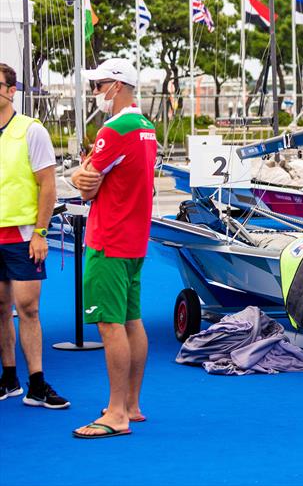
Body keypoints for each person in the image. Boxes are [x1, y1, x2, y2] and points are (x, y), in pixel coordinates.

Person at [70, 58, 157, 438]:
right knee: (131, 320)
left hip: (109, 238)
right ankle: (131, 405)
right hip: (135, 237)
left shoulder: (115, 129)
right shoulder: (146, 127)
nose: (95, 93)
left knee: (110, 324)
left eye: (99, 85)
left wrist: (78, 174)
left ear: (116, 86)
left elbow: (87, 182)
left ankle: (117, 413)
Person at [0, 63, 69, 408]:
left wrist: (40, 232)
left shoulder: (31, 130)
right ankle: (8, 378)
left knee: (27, 308)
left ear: (12, 91)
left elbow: (48, 186)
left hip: (23, 234)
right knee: (0, 308)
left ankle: (37, 383)